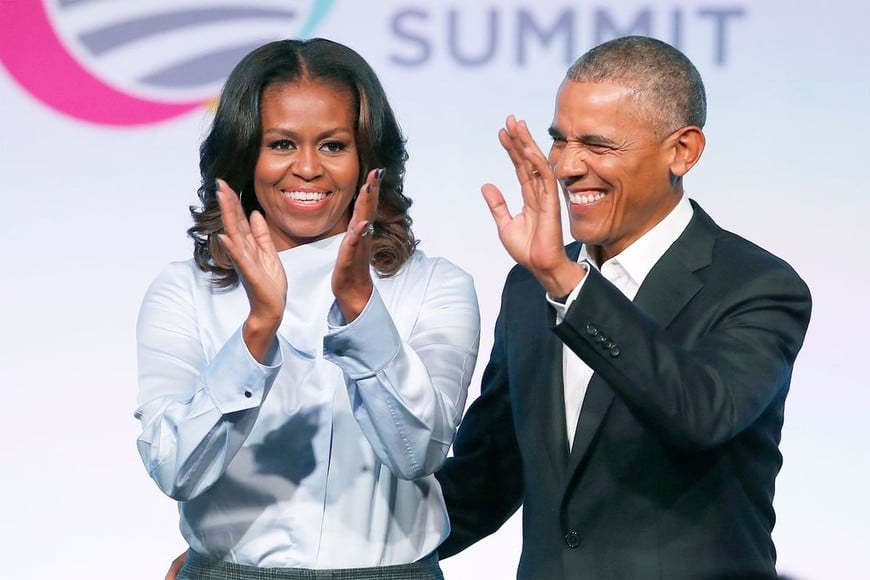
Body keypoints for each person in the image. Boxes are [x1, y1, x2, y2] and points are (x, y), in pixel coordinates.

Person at [435, 35, 812, 579]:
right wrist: (347, 552)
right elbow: (487, 477)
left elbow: (701, 414)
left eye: (598, 145)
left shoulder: (757, 285)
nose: (565, 167)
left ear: (682, 150)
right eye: (559, 140)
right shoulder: (529, 287)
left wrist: (568, 284)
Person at [135, 38, 480, 580]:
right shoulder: (184, 290)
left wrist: (360, 305)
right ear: (246, 154)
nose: (308, 169)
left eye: (334, 146)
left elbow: (418, 455)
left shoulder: (437, 285)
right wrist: (257, 332)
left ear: (368, 157)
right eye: (281, 144)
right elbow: (176, 470)